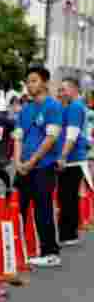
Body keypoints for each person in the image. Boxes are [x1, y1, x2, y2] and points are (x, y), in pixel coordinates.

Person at [14, 66, 63, 268]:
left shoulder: (53, 107)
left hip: (43, 166)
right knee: (18, 209)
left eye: (34, 80)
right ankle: (15, 250)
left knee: (43, 209)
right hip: (23, 168)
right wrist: (18, 162)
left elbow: (50, 138)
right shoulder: (25, 109)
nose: (30, 84)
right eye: (28, 81)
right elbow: (18, 137)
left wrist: (32, 161)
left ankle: (50, 252)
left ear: (44, 82)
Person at [57, 77, 88, 247]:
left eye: (64, 89)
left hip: (72, 159)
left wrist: (62, 156)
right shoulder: (70, 107)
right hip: (71, 159)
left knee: (67, 197)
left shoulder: (75, 107)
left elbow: (72, 134)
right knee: (68, 197)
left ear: (74, 90)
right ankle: (69, 233)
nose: (60, 93)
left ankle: (68, 234)